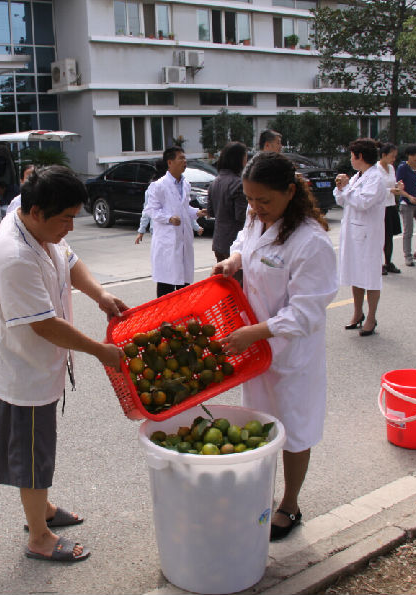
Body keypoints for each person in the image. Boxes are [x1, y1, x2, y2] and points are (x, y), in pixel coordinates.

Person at [0, 165, 127, 563]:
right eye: (65, 219)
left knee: (40, 449)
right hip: (24, 375)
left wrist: (99, 295)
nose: (71, 227)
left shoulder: (37, 223)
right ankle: (39, 537)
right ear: (36, 213)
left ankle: (42, 510)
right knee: (33, 457)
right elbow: (45, 325)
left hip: (39, 367)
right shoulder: (14, 257)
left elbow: (68, 258)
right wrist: (100, 351)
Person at [212, 152, 337, 541]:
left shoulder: (311, 242)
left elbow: (305, 314)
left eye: (263, 200)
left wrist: (254, 333)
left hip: (292, 355)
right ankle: (259, 495)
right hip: (258, 348)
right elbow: (244, 240)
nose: (255, 207)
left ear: (290, 192)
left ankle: (290, 504)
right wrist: (234, 261)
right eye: (250, 199)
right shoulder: (257, 218)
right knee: (260, 425)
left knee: (295, 430)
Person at [334, 138, 386, 337]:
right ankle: (357, 313)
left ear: (360, 156)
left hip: (369, 236)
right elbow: (343, 200)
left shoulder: (376, 178)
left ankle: (371, 317)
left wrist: (347, 188)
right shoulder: (358, 177)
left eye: (352, 156)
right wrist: (341, 187)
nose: (350, 159)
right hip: (354, 233)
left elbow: (363, 202)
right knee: (355, 273)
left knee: (370, 276)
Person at [144, 146, 206, 297]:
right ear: (170, 162)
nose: (184, 161)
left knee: (184, 284)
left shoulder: (185, 184)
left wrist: (197, 213)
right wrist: (169, 218)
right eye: (181, 158)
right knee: (166, 284)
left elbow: (184, 208)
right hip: (168, 241)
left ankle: (182, 311)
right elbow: (151, 210)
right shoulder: (158, 185)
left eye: (185, 158)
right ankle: (164, 312)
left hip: (183, 239)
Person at [208, 142, 249, 264]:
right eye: (245, 157)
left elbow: (211, 212)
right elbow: (241, 216)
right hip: (235, 244)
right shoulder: (239, 184)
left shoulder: (214, 182)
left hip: (218, 241)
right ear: (239, 159)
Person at [378, 143, 404, 275]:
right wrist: (390, 190)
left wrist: (398, 186)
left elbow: (392, 184)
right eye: (392, 156)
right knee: (380, 236)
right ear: (383, 155)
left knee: (389, 236)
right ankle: (378, 263)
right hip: (380, 206)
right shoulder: (376, 169)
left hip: (391, 205)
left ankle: (388, 262)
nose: (394, 159)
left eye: (395, 156)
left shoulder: (391, 168)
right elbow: (376, 189)